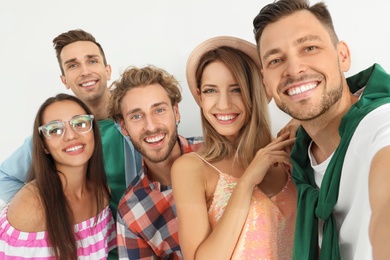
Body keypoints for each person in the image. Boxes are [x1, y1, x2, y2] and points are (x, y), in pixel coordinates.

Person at [253, 0, 390, 259]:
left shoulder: (379, 124)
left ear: (343, 56)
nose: (293, 69)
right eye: (276, 60)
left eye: (309, 47)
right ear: (265, 82)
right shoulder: (298, 156)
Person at [0, 29, 141, 259]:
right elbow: (5, 176)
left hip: (137, 244)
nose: (85, 71)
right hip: (89, 250)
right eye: (73, 65)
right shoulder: (55, 135)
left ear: (107, 70)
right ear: (64, 80)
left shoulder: (134, 122)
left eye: (92, 61)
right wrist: (53, 211)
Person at [171, 36, 297, 259]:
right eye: (211, 90)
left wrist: (304, 122)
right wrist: (247, 182)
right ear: (199, 96)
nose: (223, 104)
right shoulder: (190, 169)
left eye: (236, 89)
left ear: (256, 90)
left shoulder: (288, 155)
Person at [0, 94, 116, 259]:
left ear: (94, 134)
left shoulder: (102, 193)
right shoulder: (31, 207)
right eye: (55, 129)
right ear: (44, 146)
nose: (71, 136)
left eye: (80, 123)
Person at [108, 65, 203, 259]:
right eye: (136, 116)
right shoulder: (130, 213)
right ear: (124, 127)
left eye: (159, 110)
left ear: (176, 112)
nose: (150, 126)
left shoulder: (216, 154)